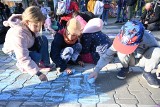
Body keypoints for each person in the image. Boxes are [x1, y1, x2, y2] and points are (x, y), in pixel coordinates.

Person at [89, 20, 160, 88]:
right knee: (121, 51)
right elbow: (107, 56)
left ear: (140, 39)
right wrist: (96, 71)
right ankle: (125, 68)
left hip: (144, 59)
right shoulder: (120, 38)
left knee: (158, 51)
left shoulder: (148, 38)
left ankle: (147, 72)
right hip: (130, 60)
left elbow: (157, 53)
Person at [2, 6, 53, 81]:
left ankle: (44, 63)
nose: (38, 29)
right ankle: (22, 66)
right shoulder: (19, 33)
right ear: (27, 22)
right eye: (36, 26)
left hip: (28, 44)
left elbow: (38, 39)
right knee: (37, 57)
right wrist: (38, 73)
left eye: (40, 26)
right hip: (14, 51)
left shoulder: (29, 26)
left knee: (43, 39)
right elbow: (23, 57)